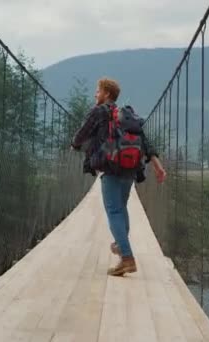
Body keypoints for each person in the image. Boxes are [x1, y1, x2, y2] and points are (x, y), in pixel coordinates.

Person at [70, 78, 166, 277]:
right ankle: (122, 246)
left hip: (111, 168)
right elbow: (144, 140)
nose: (95, 94)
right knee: (121, 210)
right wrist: (157, 165)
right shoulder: (126, 114)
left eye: (98, 91)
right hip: (130, 170)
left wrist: (74, 144)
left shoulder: (99, 111)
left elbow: (83, 132)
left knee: (113, 212)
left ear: (106, 94)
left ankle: (127, 258)